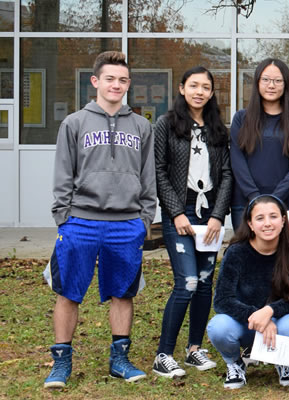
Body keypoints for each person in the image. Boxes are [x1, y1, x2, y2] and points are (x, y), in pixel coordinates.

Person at [45, 51, 156, 388]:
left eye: (122, 80)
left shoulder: (141, 126)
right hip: (80, 221)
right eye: (110, 78)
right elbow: (63, 173)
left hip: (126, 224)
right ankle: (61, 362)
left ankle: (119, 359)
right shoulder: (75, 123)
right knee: (68, 292)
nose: (116, 85)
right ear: (95, 81)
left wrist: (144, 218)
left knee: (123, 293)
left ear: (128, 84)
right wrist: (63, 217)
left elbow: (147, 175)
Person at [151, 66, 232, 379]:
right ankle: (164, 354)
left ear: (211, 93)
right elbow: (159, 172)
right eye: (194, 85)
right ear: (182, 88)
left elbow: (226, 175)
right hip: (180, 211)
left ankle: (194, 349)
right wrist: (176, 212)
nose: (200, 91)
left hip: (209, 214)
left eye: (206, 87)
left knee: (204, 282)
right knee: (186, 282)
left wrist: (217, 216)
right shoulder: (166, 125)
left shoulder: (217, 129)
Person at [205, 194, 289, 390]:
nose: (267, 224)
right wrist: (257, 316)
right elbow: (222, 300)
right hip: (246, 324)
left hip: (279, 323)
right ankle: (235, 363)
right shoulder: (236, 252)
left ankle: (283, 361)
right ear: (250, 224)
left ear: (284, 220)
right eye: (260, 218)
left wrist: (268, 312)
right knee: (218, 327)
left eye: (273, 217)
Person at [230, 59, 289, 226]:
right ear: (257, 82)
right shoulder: (241, 118)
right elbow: (237, 161)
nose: (271, 85)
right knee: (246, 252)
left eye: (278, 80)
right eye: (265, 79)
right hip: (245, 203)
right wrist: (254, 197)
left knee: (281, 252)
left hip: (283, 203)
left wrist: (275, 199)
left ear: (285, 84)